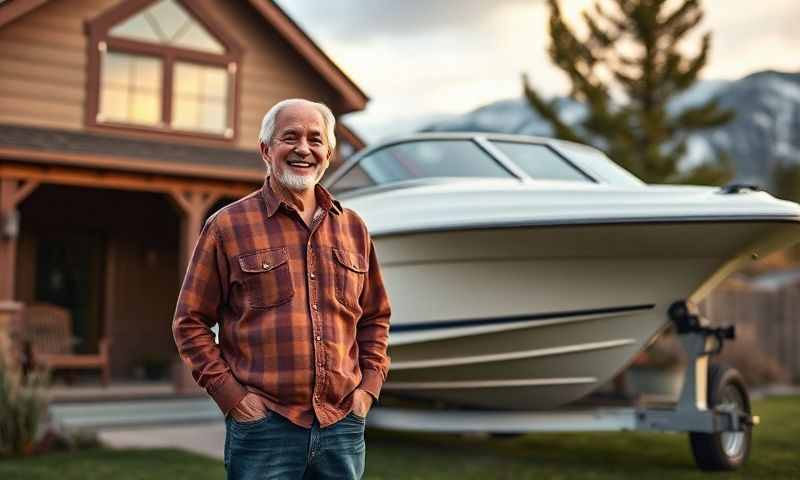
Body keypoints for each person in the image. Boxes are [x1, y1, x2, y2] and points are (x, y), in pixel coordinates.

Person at [172, 98, 391, 480]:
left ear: (328, 153)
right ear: (266, 150)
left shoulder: (354, 228)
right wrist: (233, 399)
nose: (303, 148)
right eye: (290, 137)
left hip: (342, 424)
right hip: (264, 428)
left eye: (315, 139)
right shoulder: (227, 227)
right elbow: (189, 323)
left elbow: (375, 317)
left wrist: (367, 390)